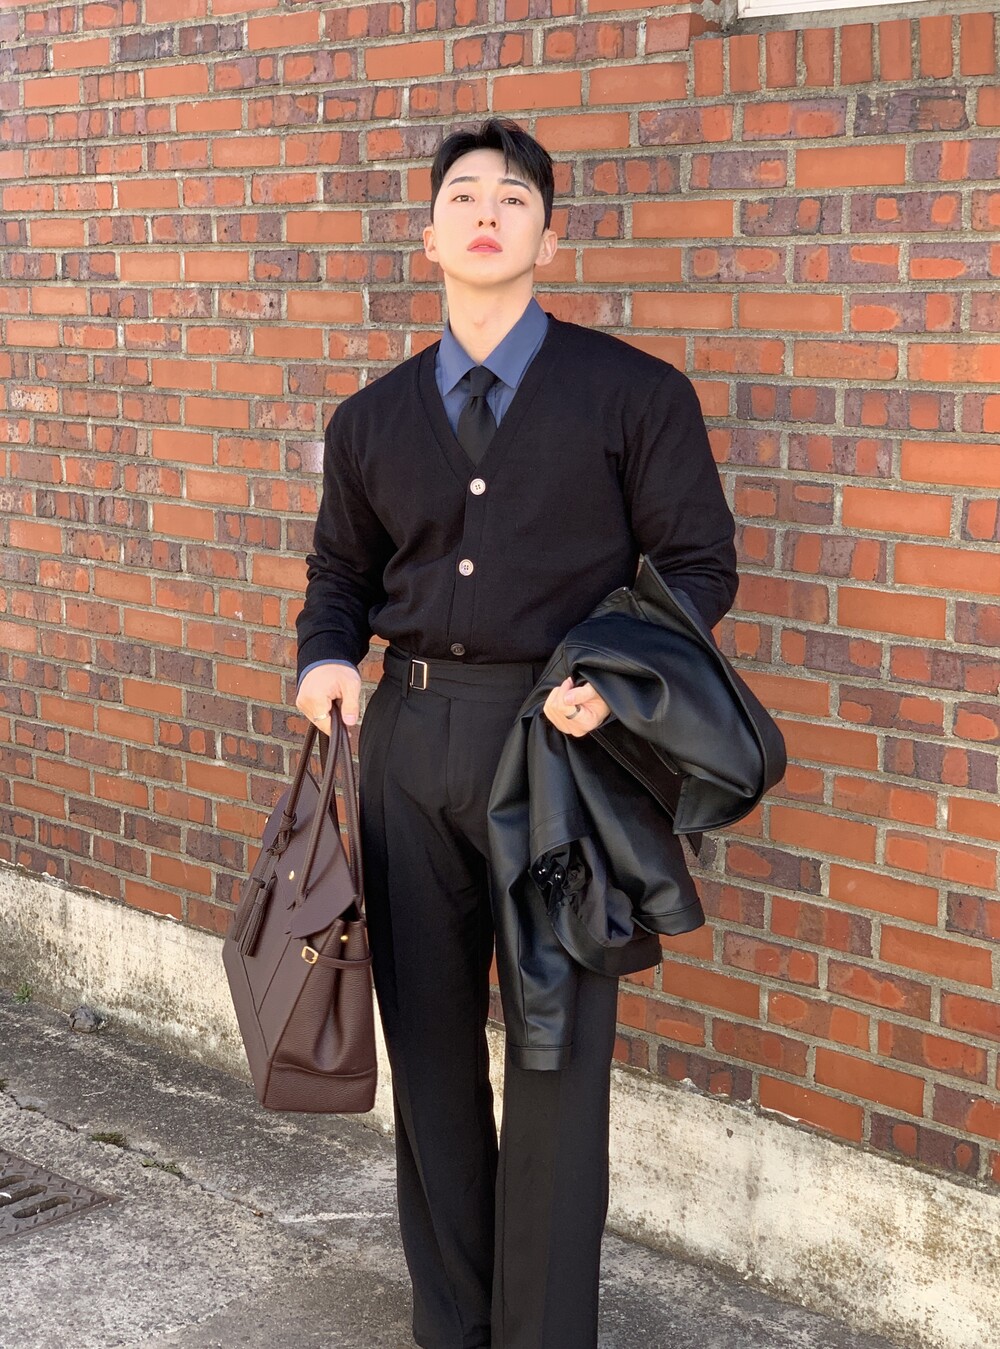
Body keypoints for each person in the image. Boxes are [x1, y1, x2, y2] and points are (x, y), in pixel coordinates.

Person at [295, 116, 738, 1349]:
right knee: (429, 1051)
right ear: (428, 232)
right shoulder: (370, 419)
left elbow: (697, 563)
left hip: (564, 756)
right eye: (463, 196)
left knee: (556, 1058)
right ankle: (454, 1322)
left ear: (549, 235)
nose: (486, 213)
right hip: (411, 744)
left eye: (513, 198)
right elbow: (340, 572)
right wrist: (325, 656)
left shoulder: (634, 394)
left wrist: (614, 671)